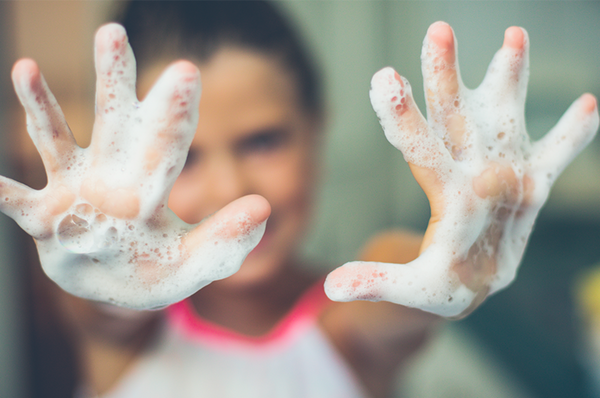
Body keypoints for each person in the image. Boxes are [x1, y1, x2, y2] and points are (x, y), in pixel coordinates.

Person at [2, 1, 598, 397]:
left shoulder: (348, 323)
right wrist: (99, 259)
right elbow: (98, 312)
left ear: (318, 131)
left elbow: (400, 280)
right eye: (184, 158)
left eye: (263, 141)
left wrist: (451, 260)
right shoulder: (125, 327)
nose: (230, 189)